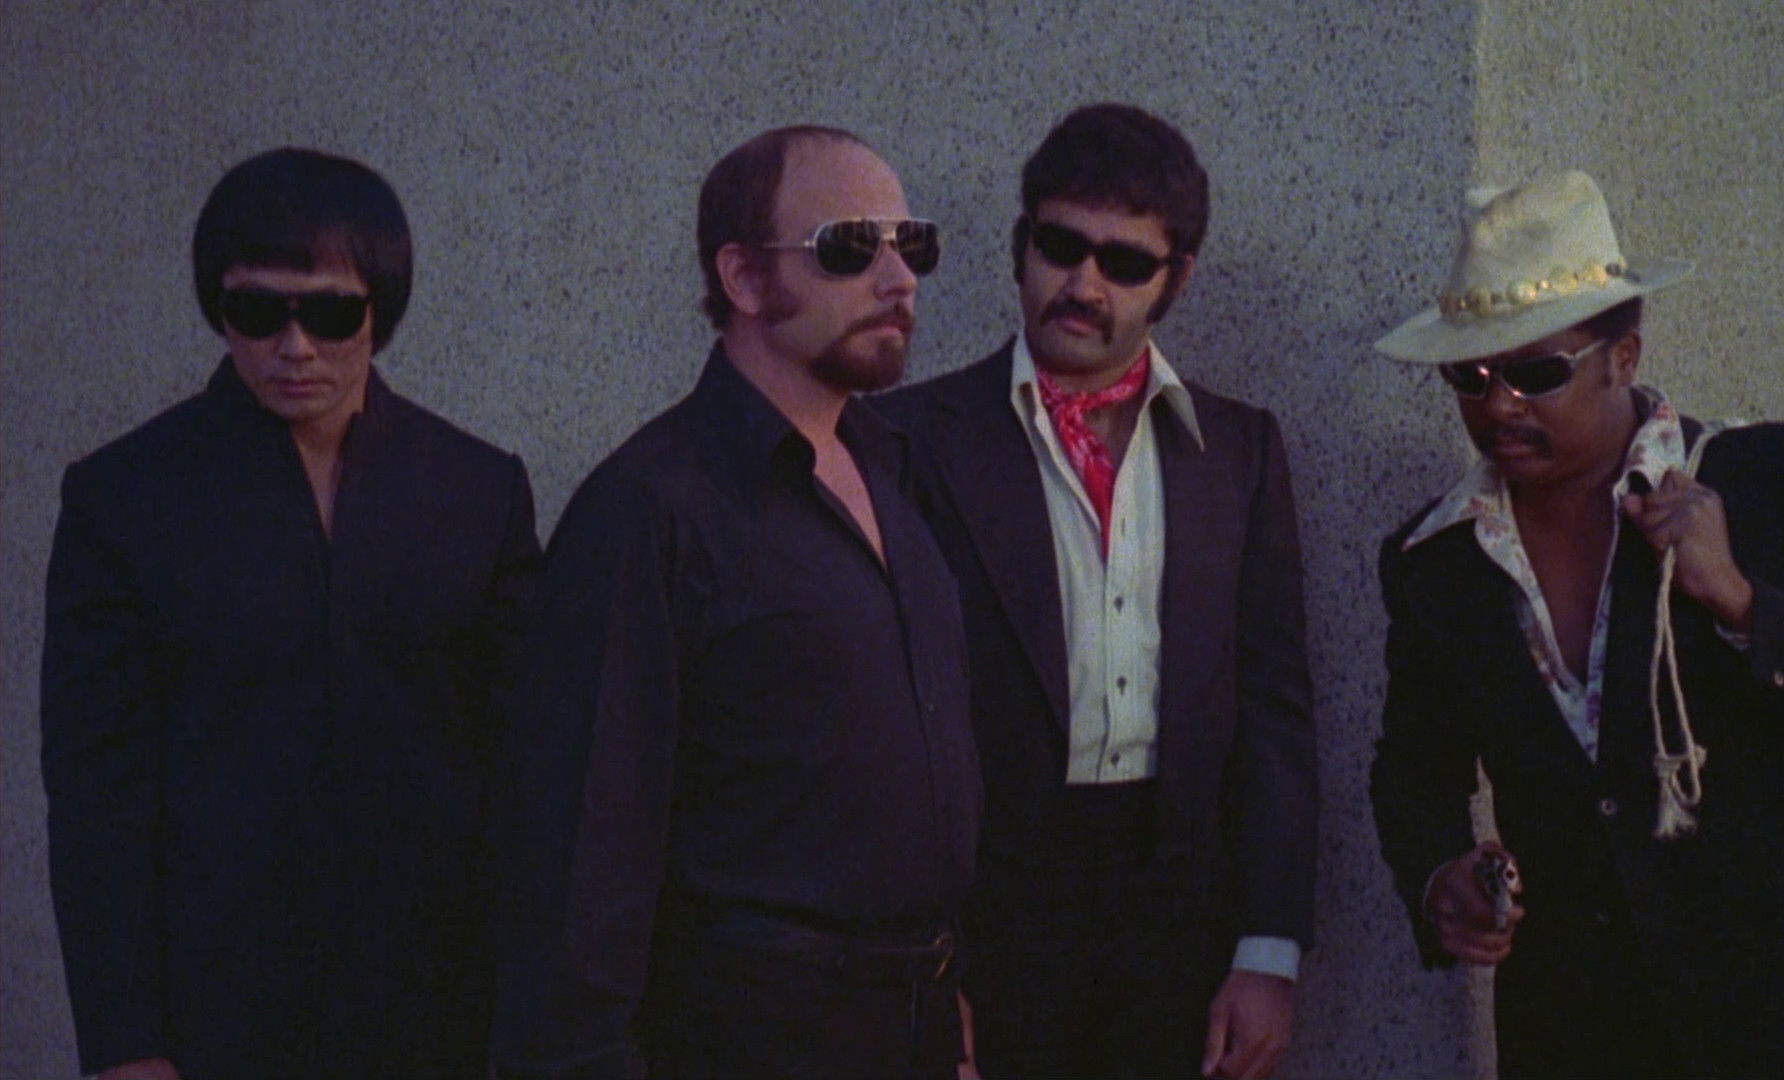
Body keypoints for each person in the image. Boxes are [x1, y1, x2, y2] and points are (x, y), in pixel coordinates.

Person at [1369, 169, 1784, 1077]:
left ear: (1623, 356)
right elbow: (1413, 768)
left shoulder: (1767, 477)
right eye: (1469, 376)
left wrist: (1741, 601)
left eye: (1536, 373)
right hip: (1576, 1041)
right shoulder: (1436, 561)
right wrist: (1441, 880)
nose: (1499, 405)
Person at [490, 126, 980, 1080]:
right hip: (744, 1036)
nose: (898, 280)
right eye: (850, 246)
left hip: (913, 1024)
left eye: (911, 244)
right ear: (746, 279)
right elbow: (580, 855)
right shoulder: (647, 510)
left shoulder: (897, 473)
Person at [41, 147, 541, 1080]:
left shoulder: (478, 492)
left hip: (440, 1003)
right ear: (219, 308)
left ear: (380, 311)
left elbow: (526, 765)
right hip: (216, 1011)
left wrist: (537, 1013)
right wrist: (125, 1042)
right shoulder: (126, 500)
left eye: (331, 313)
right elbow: (96, 796)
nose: (295, 346)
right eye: (259, 312)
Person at [880, 103, 1316, 1080]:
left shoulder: (1239, 451)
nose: (1083, 285)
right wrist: (919, 965)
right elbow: (881, 729)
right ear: (1021, 245)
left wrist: (1270, 951)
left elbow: (1275, 713)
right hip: (989, 922)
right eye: (1061, 246)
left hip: (1183, 928)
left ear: (1177, 279)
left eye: (1124, 262)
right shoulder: (909, 441)